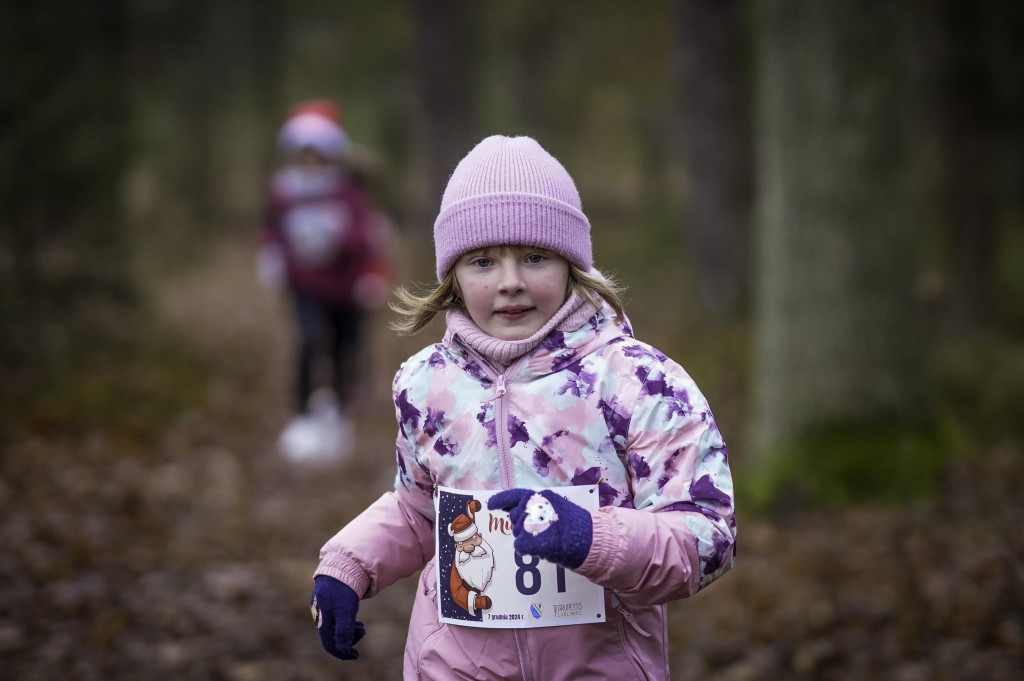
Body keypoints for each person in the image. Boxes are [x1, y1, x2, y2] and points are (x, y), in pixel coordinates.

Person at [309, 135, 736, 679]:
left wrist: (590, 538)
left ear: (571, 263)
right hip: (454, 666)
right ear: (454, 277)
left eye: (534, 257)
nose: (510, 283)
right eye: (484, 261)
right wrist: (348, 565)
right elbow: (421, 511)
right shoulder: (424, 385)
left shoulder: (639, 382)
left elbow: (706, 535)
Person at [259, 100, 391, 460]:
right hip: (305, 285)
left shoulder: (348, 191)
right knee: (307, 341)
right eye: (304, 154)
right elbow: (272, 228)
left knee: (343, 348)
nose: (311, 162)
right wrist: (272, 256)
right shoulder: (283, 190)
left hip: (346, 288)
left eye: (317, 154)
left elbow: (368, 236)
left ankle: (339, 410)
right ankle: (301, 413)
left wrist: (371, 274)